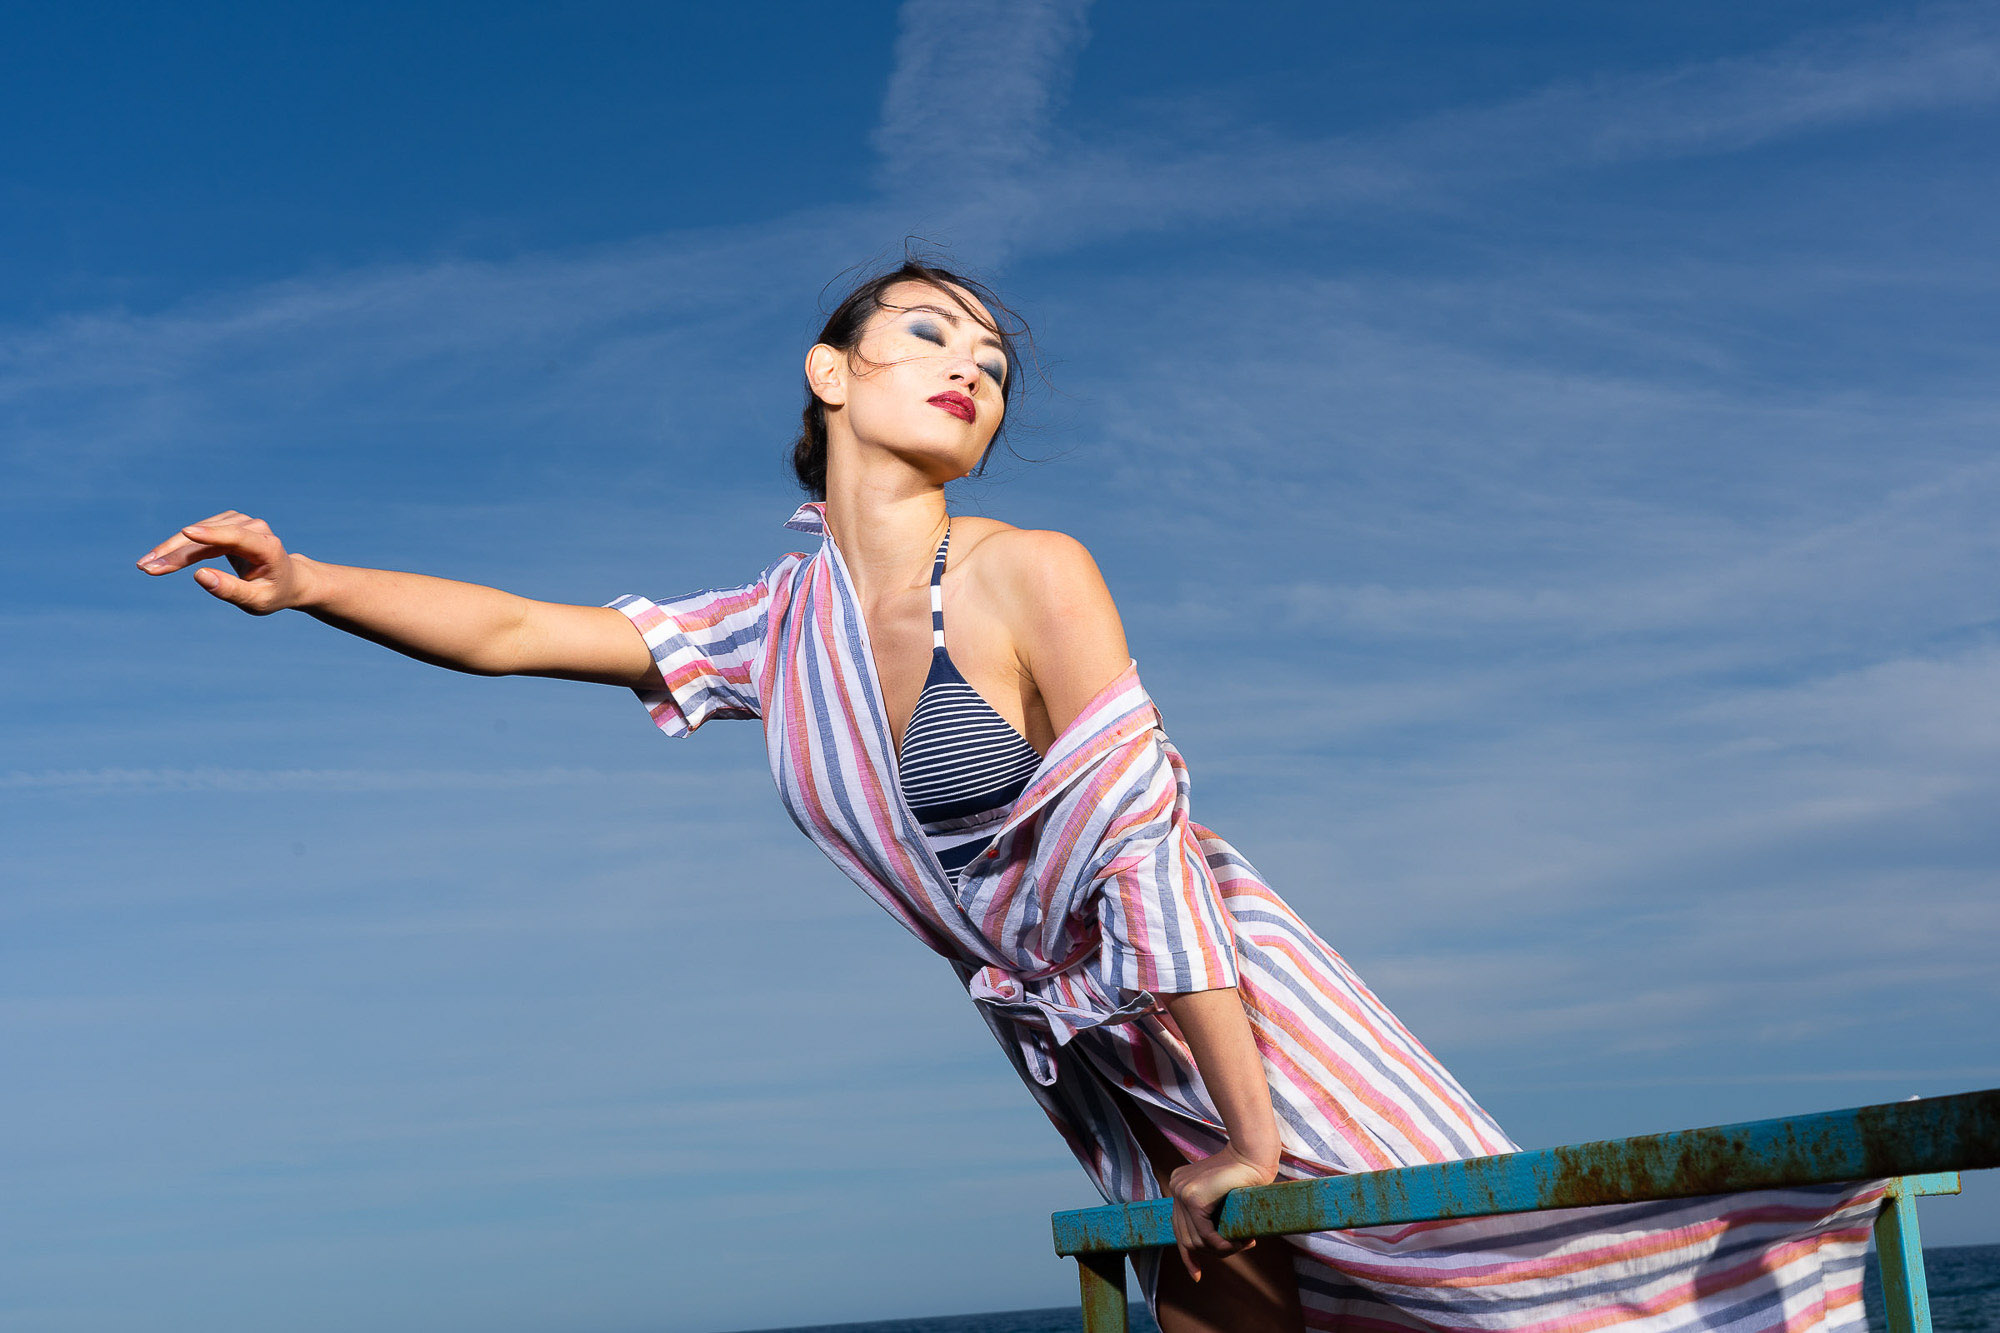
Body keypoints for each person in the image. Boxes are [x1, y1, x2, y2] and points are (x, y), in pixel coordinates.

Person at [138, 259, 1882, 1333]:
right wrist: (311, 587)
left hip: (1237, 1011)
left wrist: (1256, 1128)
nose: (969, 364)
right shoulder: (780, 619)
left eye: (992, 356)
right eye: (925, 333)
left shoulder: (1037, 569)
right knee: (1229, 1308)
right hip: (1094, 1072)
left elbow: (1147, 852)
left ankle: (1798, 1256)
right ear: (831, 375)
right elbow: (524, 629)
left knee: (1491, 1272)